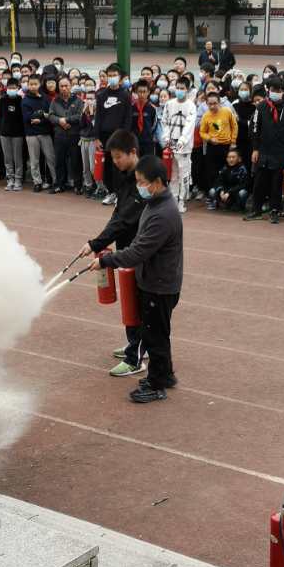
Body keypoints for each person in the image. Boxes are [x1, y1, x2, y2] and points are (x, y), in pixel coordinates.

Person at [89, 154, 183, 404]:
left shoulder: (162, 214)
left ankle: (156, 384)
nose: (139, 187)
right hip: (156, 281)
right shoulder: (154, 204)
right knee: (157, 333)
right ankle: (166, 375)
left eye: (142, 182)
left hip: (159, 286)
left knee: (155, 336)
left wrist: (106, 260)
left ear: (156, 182)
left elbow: (139, 250)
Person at [78, 130, 146, 377]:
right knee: (131, 298)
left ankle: (135, 358)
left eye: (118, 157)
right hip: (127, 249)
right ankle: (136, 345)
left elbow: (125, 220)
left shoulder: (143, 182)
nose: (115, 162)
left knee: (138, 301)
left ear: (133, 153)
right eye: (113, 157)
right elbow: (117, 215)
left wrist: (96, 244)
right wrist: (95, 243)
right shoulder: (125, 176)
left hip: (141, 252)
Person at [246, 76, 284, 224]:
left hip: (281, 151)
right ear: (268, 90)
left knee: (276, 183)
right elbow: (255, 128)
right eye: (274, 89)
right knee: (259, 182)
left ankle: (275, 211)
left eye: (279, 90)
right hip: (263, 151)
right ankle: (256, 210)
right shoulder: (261, 106)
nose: (276, 92)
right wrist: (255, 148)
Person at [94, 63, 132, 204]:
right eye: (109, 75)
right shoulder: (101, 95)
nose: (112, 78)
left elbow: (128, 118)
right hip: (104, 136)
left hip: (119, 137)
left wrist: (124, 136)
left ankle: (120, 194)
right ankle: (111, 192)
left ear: (120, 78)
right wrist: (96, 137)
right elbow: (98, 118)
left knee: (119, 166)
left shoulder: (125, 95)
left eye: (114, 75)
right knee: (107, 166)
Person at [160, 76, 196, 213]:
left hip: (184, 147)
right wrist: (166, 137)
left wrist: (182, 141)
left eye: (182, 88)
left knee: (184, 174)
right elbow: (165, 122)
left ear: (187, 90)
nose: (179, 90)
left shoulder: (191, 105)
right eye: (178, 88)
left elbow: (189, 125)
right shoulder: (169, 104)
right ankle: (173, 199)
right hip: (171, 144)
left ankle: (182, 200)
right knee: (173, 174)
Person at [22, 73, 57, 192]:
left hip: (45, 133)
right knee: (34, 160)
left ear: (40, 84)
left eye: (35, 84)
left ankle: (55, 181)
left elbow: (50, 115)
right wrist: (40, 115)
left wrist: (40, 118)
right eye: (30, 84)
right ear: (28, 85)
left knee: (51, 158)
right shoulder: (25, 100)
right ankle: (37, 182)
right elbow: (27, 117)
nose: (33, 86)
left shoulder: (46, 98)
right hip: (31, 134)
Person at [49, 75, 83, 194]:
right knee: (59, 161)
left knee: (75, 161)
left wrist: (67, 120)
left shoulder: (78, 100)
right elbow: (51, 116)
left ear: (71, 86)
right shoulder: (55, 101)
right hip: (59, 136)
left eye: (66, 86)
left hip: (74, 135)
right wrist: (59, 121)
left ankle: (78, 185)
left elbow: (80, 116)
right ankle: (60, 185)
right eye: (61, 86)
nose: (64, 88)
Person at [199, 91, 238, 189]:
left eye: (215, 103)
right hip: (212, 147)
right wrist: (210, 138)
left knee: (227, 170)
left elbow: (234, 126)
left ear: (219, 102)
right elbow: (202, 132)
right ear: (206, 104)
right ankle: (213, 192)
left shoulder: (227, 111)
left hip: (226, 146)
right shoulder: (206, 116)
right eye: (210, 104)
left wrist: (233, 142)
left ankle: (227, 191)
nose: (212, 106)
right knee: (211, 171)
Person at [0, 77, 25, 191]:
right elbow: (1, 115)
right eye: (9, 88)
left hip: (17, 133)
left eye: (14, 88)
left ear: (18, 88)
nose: (11, 89)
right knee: (7, 158)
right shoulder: (2, 100)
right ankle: (10, 179)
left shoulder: (21, 100)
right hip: (4, 133)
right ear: (6, 88)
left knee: (17, 158)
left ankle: (18, 180)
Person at [132, 79, 157, 157]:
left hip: (148, 142)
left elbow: (154, 124)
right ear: (136, 92)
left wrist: (148, 134)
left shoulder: (152, 108)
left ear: (148, 92)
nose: (142, 94)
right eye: (140, 91)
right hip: (134, 142)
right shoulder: (131, 107)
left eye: (144, 92)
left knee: (147, 162)